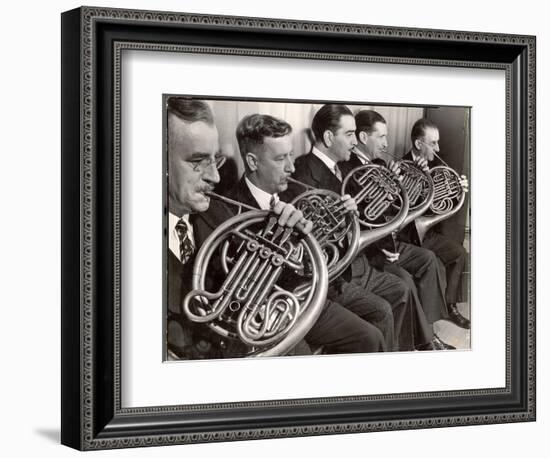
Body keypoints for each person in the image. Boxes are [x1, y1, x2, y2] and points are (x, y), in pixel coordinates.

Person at [166, 98, 385, 359]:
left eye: (217, 161)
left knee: (371, 335)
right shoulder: (229, 213)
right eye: (198, 160)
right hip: (244, 331)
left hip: (289, 301)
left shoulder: (228, 209)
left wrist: (302, 239)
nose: (214, 177)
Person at [282, 105, 439, 351]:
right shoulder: (303, 171)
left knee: (400, 290)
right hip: (334, 273)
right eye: (349, 134)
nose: (355, 141)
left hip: (358, 260)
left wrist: (391, 191)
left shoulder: (343, 168)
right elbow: (307, 237)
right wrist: (340, 215)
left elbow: (369, 213)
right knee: (386, 306)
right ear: (328, 137)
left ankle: (401, 353)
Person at [401, 118, 470, 329]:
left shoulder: (438, 166)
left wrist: (459, 190)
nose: (438, 148)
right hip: (406, 235)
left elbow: (442, 205)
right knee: (433, 262)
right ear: (418, 144)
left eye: (437, 142)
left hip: (426, 233)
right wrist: (415, 177)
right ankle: (427, 326)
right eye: (433, 143)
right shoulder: (400, 166)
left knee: (460, 254)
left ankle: (450, 306)